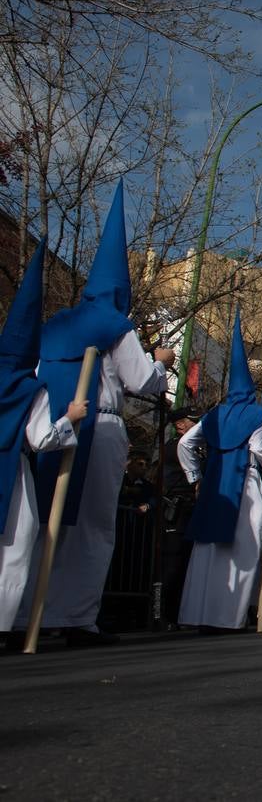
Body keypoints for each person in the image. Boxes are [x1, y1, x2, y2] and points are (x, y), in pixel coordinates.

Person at [17, 181, 172, 646]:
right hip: (98, 423)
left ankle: (26, 610)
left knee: (43, 520)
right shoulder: (115, 324)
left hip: (49, 421)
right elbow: (141, 380)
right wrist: (162, 365)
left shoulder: (55, 324)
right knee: (92, 525)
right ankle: (77, 616)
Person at [1, 240, 84, 637]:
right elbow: (41, 439)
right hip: (10, 470)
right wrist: (69, 419)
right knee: (16, 546)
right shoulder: (29, 388)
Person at [176, 313, 262, 632]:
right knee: (245, 546)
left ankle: (196, 613)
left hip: (215, 481)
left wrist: (196, 478)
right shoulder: (255, 414)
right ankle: (228, 616)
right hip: (245, 484)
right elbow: (260, 451)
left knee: (206, 550)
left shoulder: (215, 414)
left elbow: (185, 444)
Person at [159, 404, 201, 629]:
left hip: (188, 510)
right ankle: (162, 614)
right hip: (175, 511)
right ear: (180, 425)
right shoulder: (177, 447)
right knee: (171, 565)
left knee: (184, 563)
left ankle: (177, 614)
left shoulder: (191, 447)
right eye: (193, 421)